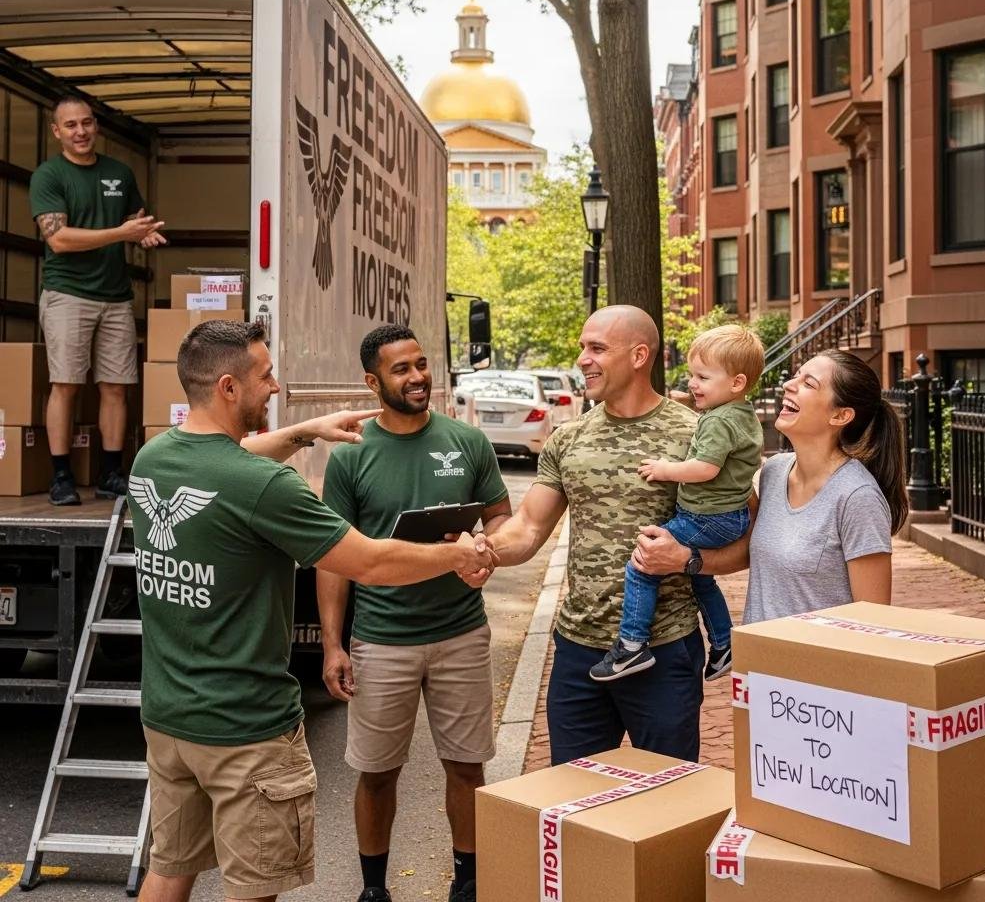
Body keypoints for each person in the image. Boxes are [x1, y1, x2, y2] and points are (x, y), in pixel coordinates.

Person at [127, 320, 495, 902]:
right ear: (227, 387)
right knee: (255, 887)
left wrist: (303, 431)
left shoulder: (156, 458)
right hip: (244, 730)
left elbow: (228, 454)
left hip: (170, 720)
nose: (276, 387)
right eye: (265, 376)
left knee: (170, 870)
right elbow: (368, 562)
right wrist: (455, 553)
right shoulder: (264, 486)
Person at [318, 324, 511, 902]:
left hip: (460, 632)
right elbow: (333, 559)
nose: (418, 377)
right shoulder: (351, 455)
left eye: (421, 365)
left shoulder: (465, 441)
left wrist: (487, 556)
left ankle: (469, 883)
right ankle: (374, 890)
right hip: (382, 638)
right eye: (401, 369)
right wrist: (334, 643)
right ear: (373, 381)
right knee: (376, 772)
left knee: (466, 766)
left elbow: (500, 518)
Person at [479, 304, 715, 765]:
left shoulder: (696, 438)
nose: (583, 359)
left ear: (639, 355)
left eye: (597, 348)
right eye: (582, 348)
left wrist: (687, 560)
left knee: (668, 800)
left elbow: (743, 537)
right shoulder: (569, 439)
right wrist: (484, 551)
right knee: (572, 804)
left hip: (662, 649)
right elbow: (527, 528)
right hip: (578, 652)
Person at [631, 349, 907, 625]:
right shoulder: (774, 471)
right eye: (796, 375)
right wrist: (686, 559)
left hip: (816, 666)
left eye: (808, 383)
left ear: (840, 416)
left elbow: (874, 621)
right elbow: (750, 550)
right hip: (757, 662)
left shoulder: (858, 498)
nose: (789, 384)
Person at [589, 324, 764, 684]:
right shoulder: (740, 413)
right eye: (692, 376)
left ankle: (632, 644)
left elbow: (705, 467)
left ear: (736, 383)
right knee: (701, 580)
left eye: (702, 377)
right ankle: (724, 644)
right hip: (727, 516)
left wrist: (666, 469)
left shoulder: (718, 421)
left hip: (707, 518)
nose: (693, 384)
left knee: (643, 562)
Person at [30, 96, 167, 506]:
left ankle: (110, 474)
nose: (80, 132)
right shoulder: (48, 176)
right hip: (67, 294)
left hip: (116, 297)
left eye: (87, 123)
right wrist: (121, 234)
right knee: (66, 385)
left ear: (96, 126)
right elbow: (59, 238)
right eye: (70, 125)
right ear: (57, 132)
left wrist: (143, 233)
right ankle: (60, 477)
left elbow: (136, 222)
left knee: (116, 388)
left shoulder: (119, 173)